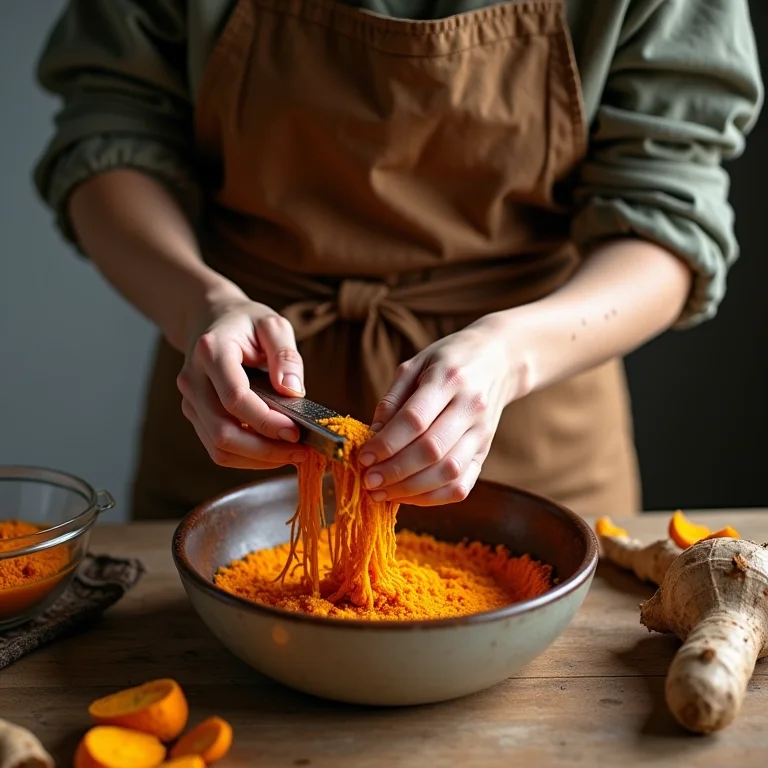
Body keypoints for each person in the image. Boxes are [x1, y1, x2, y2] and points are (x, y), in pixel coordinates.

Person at [33, 0, 762, 521]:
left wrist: (509, 355)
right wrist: (202, 305)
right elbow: (111, 141)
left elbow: (667, 222)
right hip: (236, 413)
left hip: (533, 434)